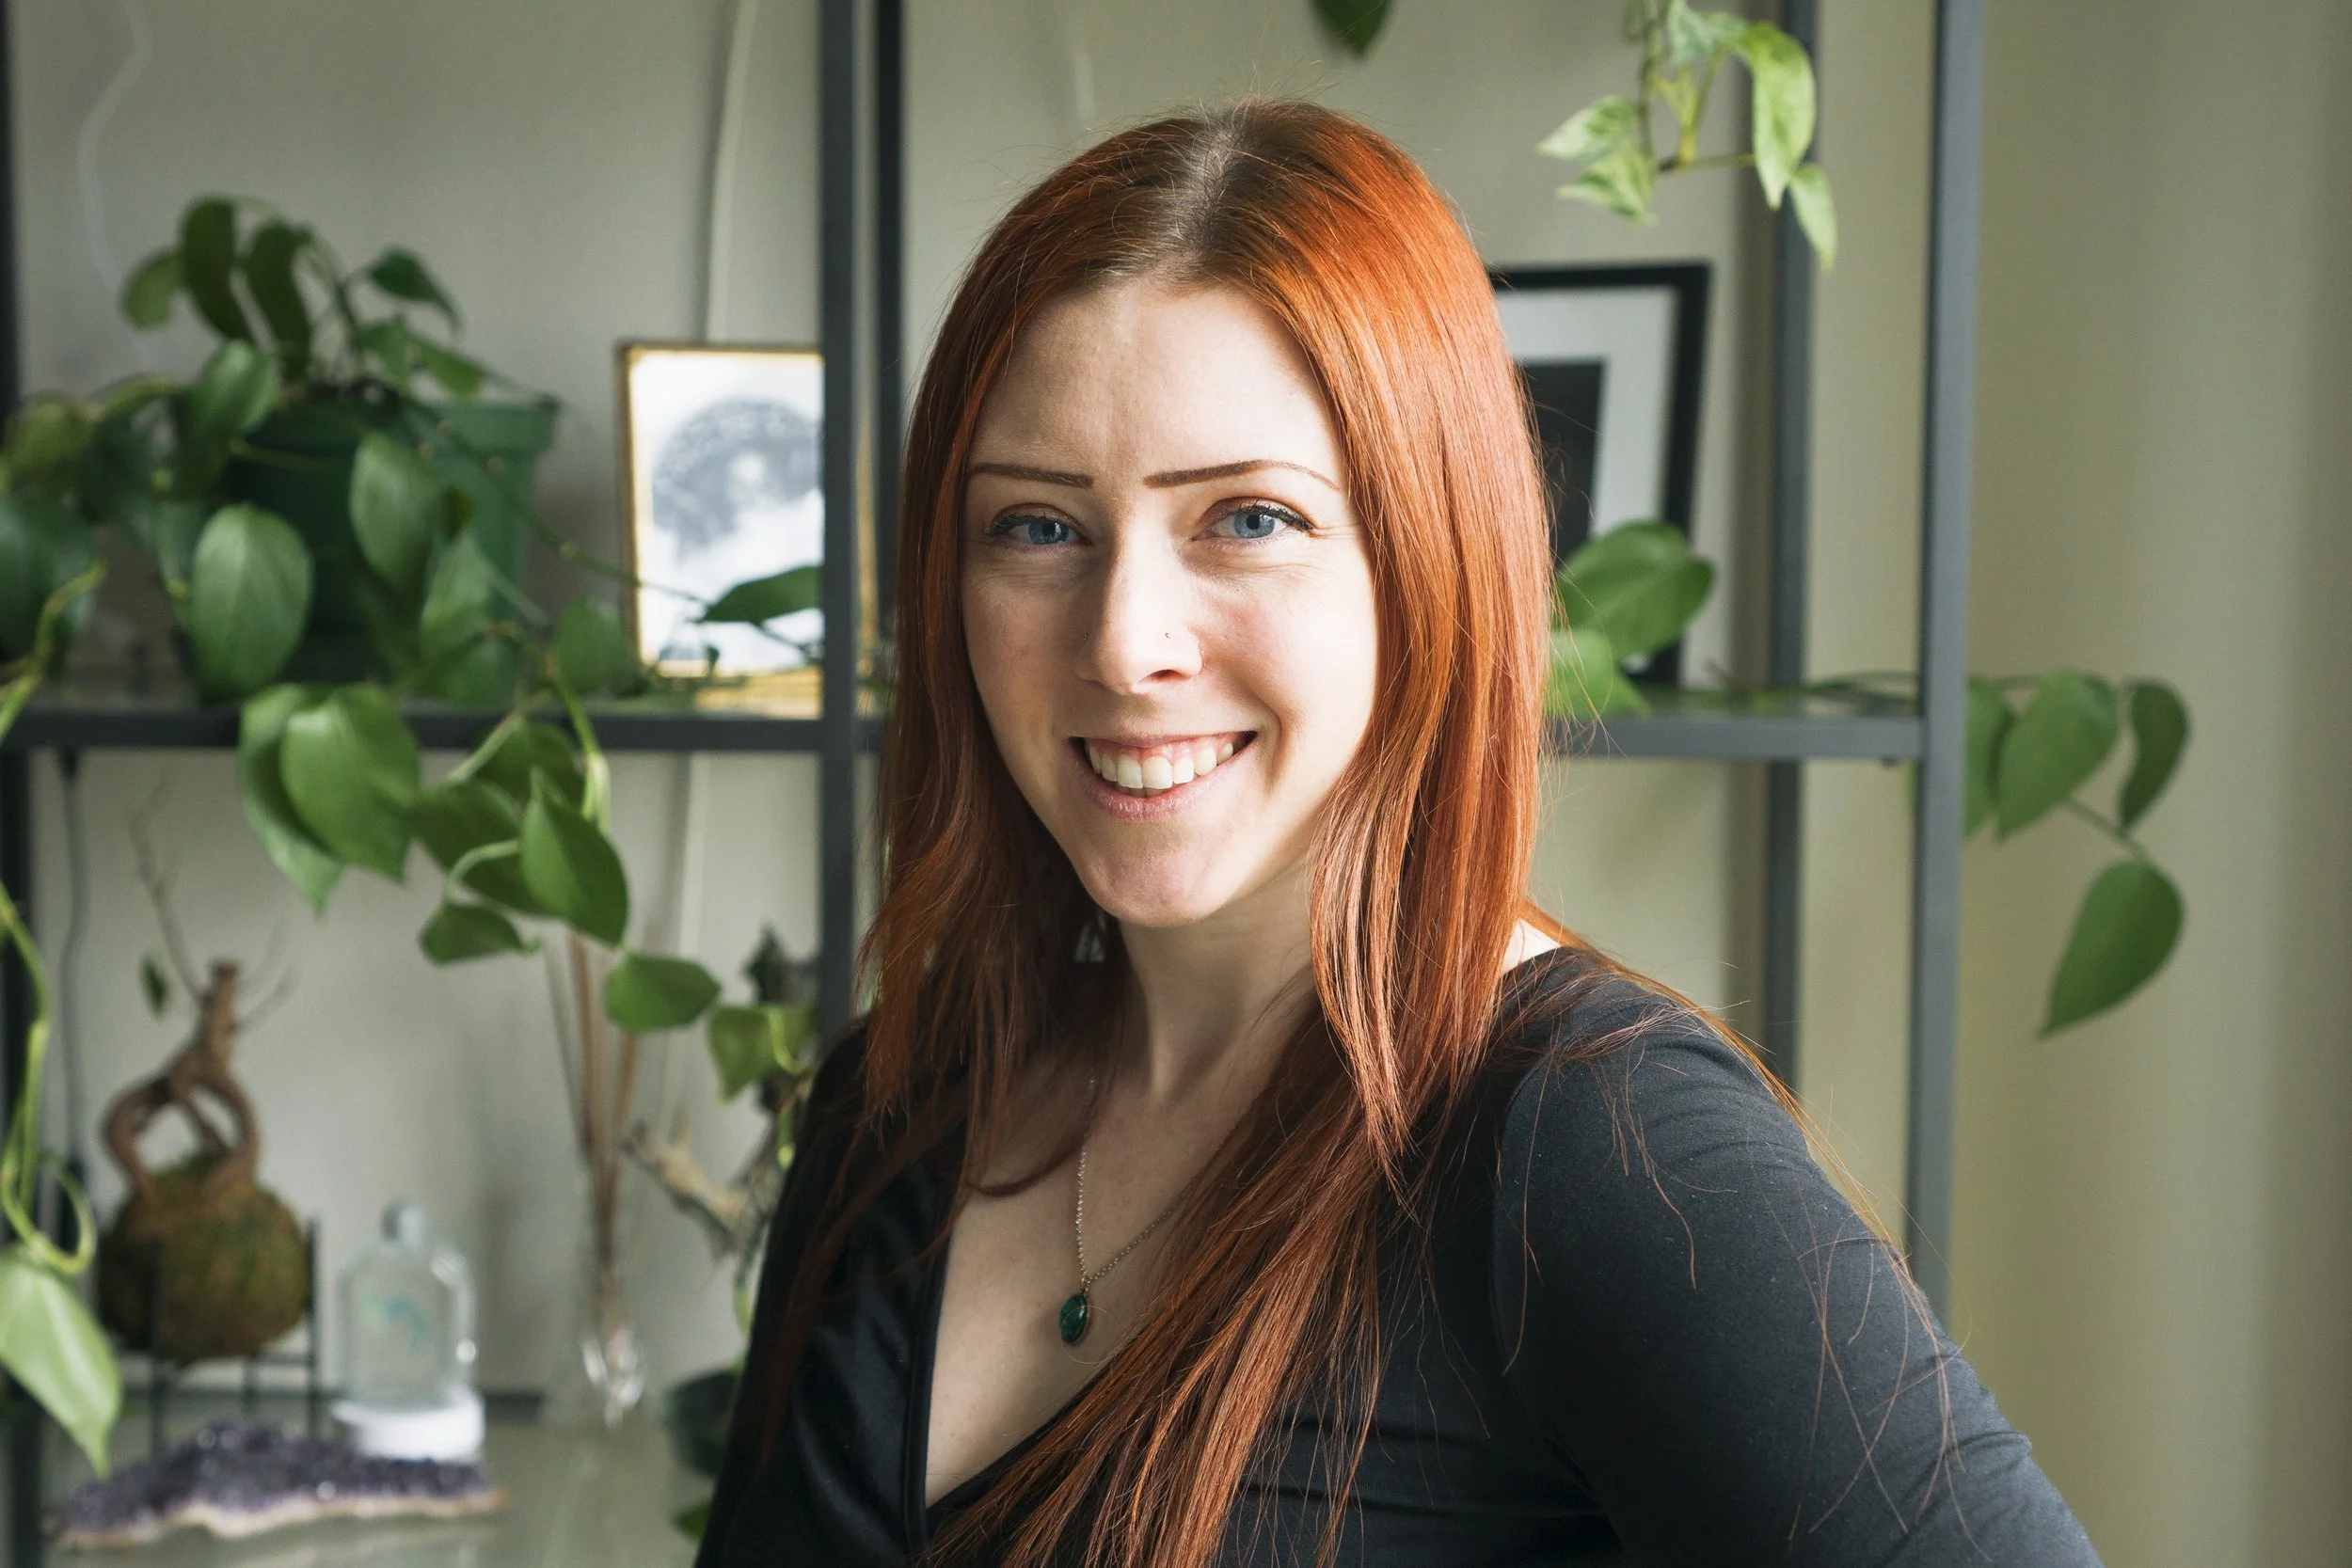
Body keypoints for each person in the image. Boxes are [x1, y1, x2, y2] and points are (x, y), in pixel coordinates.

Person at [697, 99, 2100, 1568]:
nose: (1125, 643)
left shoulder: (1584, 1142)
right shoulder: (894, 1098)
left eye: (1247, 519)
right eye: (1040, 527)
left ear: (1428, 564)